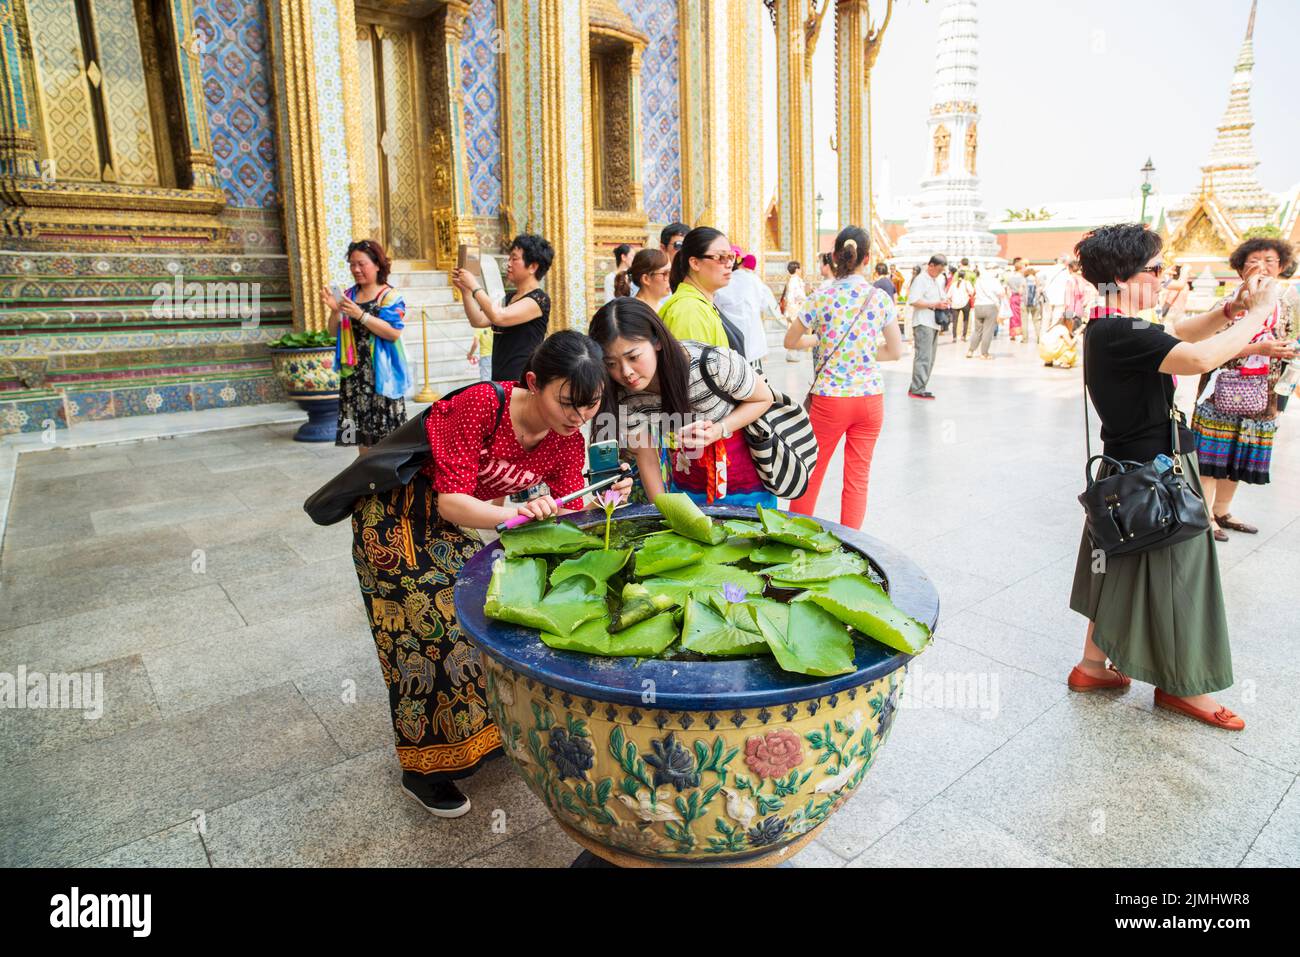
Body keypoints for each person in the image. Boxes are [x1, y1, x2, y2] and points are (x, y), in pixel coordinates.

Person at [351, 331, 632, 816]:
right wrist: (518, 514)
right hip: (395, 517)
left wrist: (603, 499)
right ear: (533, 383)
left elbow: (566, 512)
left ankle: (479, 737)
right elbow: (451, 500)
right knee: (428, 634)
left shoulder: (567, 440)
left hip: (461, 518)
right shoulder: (484, 404)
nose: (578, 416)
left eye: (590, 406)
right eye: (567, 403)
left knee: (480, 617)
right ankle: (424, 770)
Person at [1069, 223, 1281, 731]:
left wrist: (1228, 316)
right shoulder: (1122, 331)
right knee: (1184, 578)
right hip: (1156, 475)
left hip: (1127, 473)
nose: (1163, 277)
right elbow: (1198, 358)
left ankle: (1094, 666)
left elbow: (1181, 335)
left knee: (1115, 564)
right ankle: (1187, 686)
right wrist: (1253, 316)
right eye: (1155, 268)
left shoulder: (1111, 325)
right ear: (1122, 276)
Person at [590, 297, 776, 509]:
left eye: (633, 357)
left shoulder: (711, 364)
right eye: (611, 364)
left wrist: (719, 429)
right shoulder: (624, 396)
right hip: (688, 487)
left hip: (747, 485)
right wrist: (665, 513)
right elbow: (647, 456)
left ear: (657, 341)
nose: (626, 372)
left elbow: (764, 398)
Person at [783, 226, 903, 528]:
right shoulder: (879, 298)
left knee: (812, 469)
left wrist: (821, 342)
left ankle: (795, 536)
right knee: (858, 476)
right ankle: (853, 544)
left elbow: (791, 341)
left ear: (835, 256)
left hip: (830, 401)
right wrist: (860, 352)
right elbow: (894, 351)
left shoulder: (821, 297)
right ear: (867, 258)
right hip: (870, 400)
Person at [1181, 238, 1299, 541]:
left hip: (1264, 393)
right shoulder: (1228, 305)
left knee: (1239, 456)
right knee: (1211, 458)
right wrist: (1257, 347)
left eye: (1270, 261)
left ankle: (1222, 510)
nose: (1262, 266)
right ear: (1240, 268)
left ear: (1282, 266)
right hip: (1221, 392)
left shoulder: (1286, 304)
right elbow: (1206, 347)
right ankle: (1206, 515)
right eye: (1254, 260)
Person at [321, 239, 408, 453]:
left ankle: (386, 483)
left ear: (377, 264)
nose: (356, 269)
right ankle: (367, 480)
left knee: (386, 438)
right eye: (352, 264)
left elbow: (393, 333)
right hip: (355, 375)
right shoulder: (349, 295)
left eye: (361, 264)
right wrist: (335, 311)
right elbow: (334, 333)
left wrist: (360, 315)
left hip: (381, 374)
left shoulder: (390, 297)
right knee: (361, 436)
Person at [451, 233, 553, 384]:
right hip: (500, 380)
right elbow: (478, 320)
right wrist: (465, 291)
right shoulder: (509, 297)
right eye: (509, 258)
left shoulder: (539, 300)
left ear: (532, 267)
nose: (509, 264)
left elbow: (499, 317)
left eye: (515, 258)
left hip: (522, 382)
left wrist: (474, 285)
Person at [658, 226, 735, 349]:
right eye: (720, 257)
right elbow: (693, 367)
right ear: (695, 263)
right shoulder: (690, 311)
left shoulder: (700, 304)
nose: (729, 264)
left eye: (731, 257)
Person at [713, 250, 780, 370]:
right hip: (754, 339)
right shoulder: (756, 281)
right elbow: (765, 304)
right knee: (754, 376)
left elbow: (715, 302)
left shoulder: (725, 281)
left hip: (730, 339)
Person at [906, 254, 949, 399]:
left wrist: (944, 301)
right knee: (923, 357)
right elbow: (913, 300)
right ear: (930, 265)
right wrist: (934, 304)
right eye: (937, 269)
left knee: (930, 358)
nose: (939, 272)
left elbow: (939, 297)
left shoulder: (936, 280)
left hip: (934, 322)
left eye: (941, 270)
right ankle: (917, 389)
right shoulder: (921, 280)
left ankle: (918, 386)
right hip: (923, 321)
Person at [966, 268, 1005, 359]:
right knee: (987, 331)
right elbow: (1001, 293)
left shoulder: (978, 281)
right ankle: (984, 353)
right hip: (990, 306)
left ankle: (970, 351)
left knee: (977, 330)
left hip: (978, 306)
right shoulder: (994, 281)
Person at [622, 247, 671, 312]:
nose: (670, 278)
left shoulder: (661, 308)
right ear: (646, 279)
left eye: (671, 272)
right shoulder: (634, 312)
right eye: (665, 273)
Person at [781, 261, 807, 363]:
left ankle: (792, 353)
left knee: (792, 330)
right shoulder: (795, 281)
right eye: (800, 268)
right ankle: (791, 353)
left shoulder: (792, 280)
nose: (801, 271)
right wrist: (805, 298)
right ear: (796, 269)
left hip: (792, 308)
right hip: (794, 309)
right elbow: (797, 295)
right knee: (794, 331)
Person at [947, 265, 973, 342]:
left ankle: (954, 337)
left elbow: (948, 295)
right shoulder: (967, 283)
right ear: (964, 276)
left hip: (955, 304)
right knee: (966, 320)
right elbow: (971, 292)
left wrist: (951, 302)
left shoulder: (954, 284)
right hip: (965, 303)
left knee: (955, 321)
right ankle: (964, 336)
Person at [1023, 268, 1043, 343]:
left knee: (1024, 321)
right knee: (1036, 321)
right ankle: (1038, 338)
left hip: (1025, 303)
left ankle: (1025, 339)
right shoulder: (1037, 280)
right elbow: (1041, 290)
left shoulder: (1024, 280)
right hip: (1035, 303)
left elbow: (1020, 291)